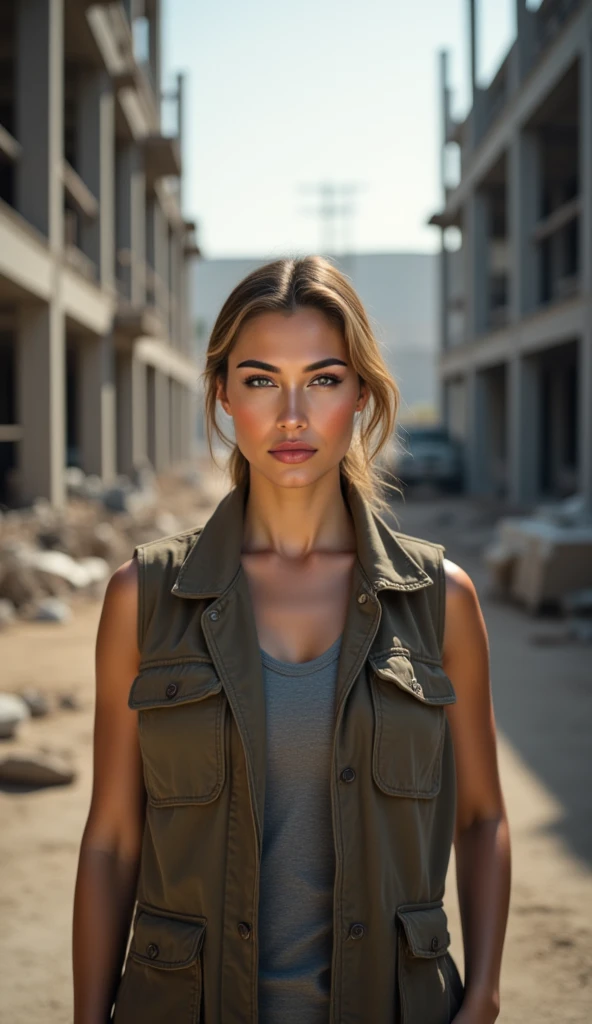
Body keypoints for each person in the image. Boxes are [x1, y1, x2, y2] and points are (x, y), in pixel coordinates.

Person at [72, 255, 511, 1024]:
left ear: (363, 394)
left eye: (325, 378)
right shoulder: (142, 598)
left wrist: (482, 1000)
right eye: (261, 379)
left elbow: (482, 819)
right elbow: (110, 838)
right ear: (222, 397)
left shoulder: (443, 602)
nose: (294, 416)